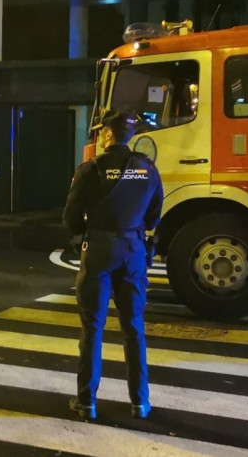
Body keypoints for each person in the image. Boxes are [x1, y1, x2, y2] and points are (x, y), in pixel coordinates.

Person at [62, 111, 164, 420]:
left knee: (92, 327)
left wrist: (88, 229)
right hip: (133, 249)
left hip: (100, 250)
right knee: (133, 326)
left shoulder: (91, 170)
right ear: (130, 134)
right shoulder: (147, 169)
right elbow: (154, 215)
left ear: (108, 135)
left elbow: (70, 219)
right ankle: (140, 402)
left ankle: (87, 402)